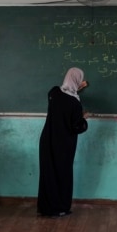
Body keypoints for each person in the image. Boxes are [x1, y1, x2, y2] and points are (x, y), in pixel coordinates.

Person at [37, 67, 89, 218]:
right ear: (78, 81)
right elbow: (77, 127)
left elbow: (63, 97)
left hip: (47, 141)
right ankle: (60, 207)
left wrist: (75, 90)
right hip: (64, 145)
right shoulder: (75, 104)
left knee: (48, 174)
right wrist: (84, 118)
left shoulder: (53, 93)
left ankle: (46, 207)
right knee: (62, 175)